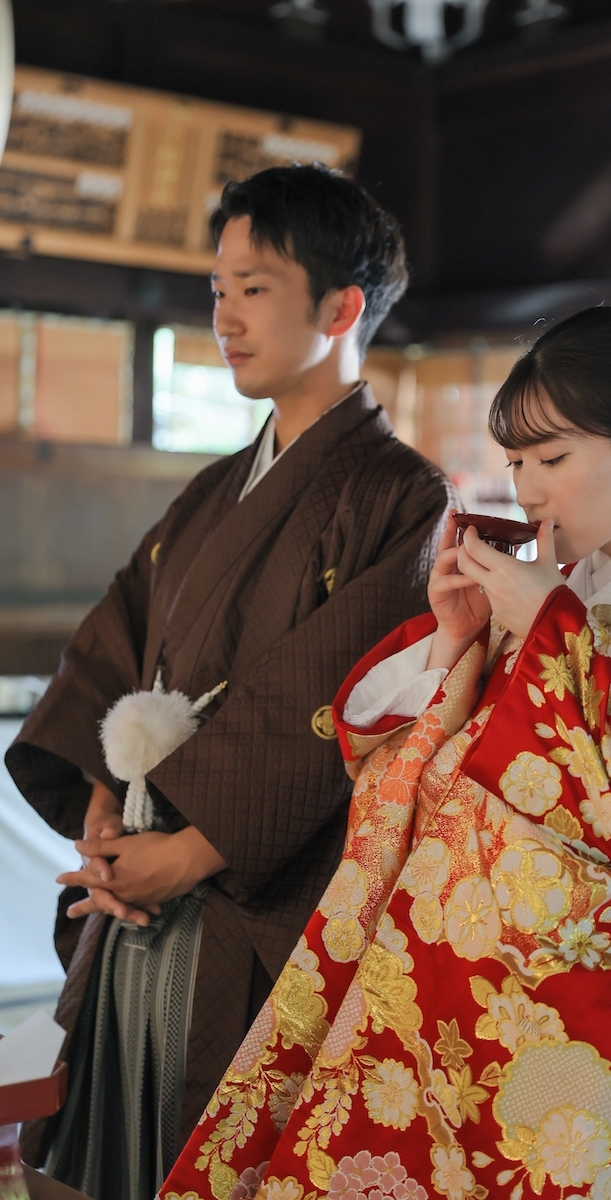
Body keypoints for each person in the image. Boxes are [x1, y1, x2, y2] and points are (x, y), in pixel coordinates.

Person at [160, 306, 611, 1200]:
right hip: (447, 979)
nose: (529, 489)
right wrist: (454, 644)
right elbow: (410, 774)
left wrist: (550, 632)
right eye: (515, 462)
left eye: (554, 457)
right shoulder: (552, 594)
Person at [5, 164, 456, 1200]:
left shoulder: (401, 498)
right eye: (218, 290)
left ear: (341, 306)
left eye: (253, 288)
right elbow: (114, 649)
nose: (224, 316)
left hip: (251, 888)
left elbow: (346, 702)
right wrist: (105, 812)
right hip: (139, 881)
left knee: (209, 1145)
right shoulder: (213, 490)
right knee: (112, 1140)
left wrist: (196, 848)